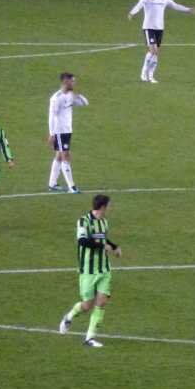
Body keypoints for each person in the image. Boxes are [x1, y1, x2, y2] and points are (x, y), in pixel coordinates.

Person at [59, 194, 122, 348]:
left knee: (101, 302)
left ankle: (89, 338)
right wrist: (103, 247)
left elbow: (102, 239)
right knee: (87, 306)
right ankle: (69, 316)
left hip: (104, 269)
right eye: (109, 205)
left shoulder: (104, 222)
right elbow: (82, 241)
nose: (110, 207)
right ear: (102, 207)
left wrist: (114, 247)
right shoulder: (83, 221)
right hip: (88, 270)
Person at [127, 0, 195, 84]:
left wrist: (188, 10)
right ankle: (144, 72)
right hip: (149, 27)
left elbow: (175, 5)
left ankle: (151, 76)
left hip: (160, 28)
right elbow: (139, 5)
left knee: (156, 53)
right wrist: (132, 13)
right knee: (153, 50)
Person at [48, 72, 88, 193]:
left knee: (59, 156)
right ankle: (72, 187)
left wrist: (77, 96)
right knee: (66, 156)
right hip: (59, 131)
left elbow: (85, 103)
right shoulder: (56, 98)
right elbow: (52, 116)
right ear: (65, 82)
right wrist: (51, 133)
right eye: (72, 81)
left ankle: (52, 184)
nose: (74, 83)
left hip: (67, 130)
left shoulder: (70, 95)